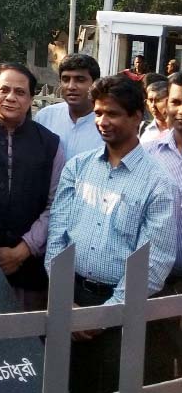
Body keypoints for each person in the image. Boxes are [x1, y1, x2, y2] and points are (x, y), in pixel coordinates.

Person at [45, 74, 177, 393]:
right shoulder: (78, 168)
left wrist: (104, 315)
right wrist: (66, 302)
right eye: (99, 113)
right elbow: (56, 240)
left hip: (123, 308)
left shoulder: (159, 184)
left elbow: (155, 264)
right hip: (70, 300)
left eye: (113, 113)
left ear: (137, 117)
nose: (103, 121)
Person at [0, 63, 65, 310]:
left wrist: (23, 250)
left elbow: (57, 204)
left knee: (26, 337)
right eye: (4, 90)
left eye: (20, 92)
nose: (10, 97)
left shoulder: (50, 144)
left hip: (30, 266)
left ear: (31, 98)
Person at [145, 72, 182, 381]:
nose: (181, 111)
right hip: (160, 282)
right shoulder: (149, 153)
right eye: (176, 102)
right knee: (158, 367)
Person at [35, 53, 103, 160]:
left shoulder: (106, 125)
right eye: (66, 79)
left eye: (80, 80)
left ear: (95, 84)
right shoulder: (45, 117)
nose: (71, 86)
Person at [140, 80, 170, 144]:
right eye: (150, 101)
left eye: (158, 100)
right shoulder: (141, 129)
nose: (153, 105)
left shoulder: (178, 130)